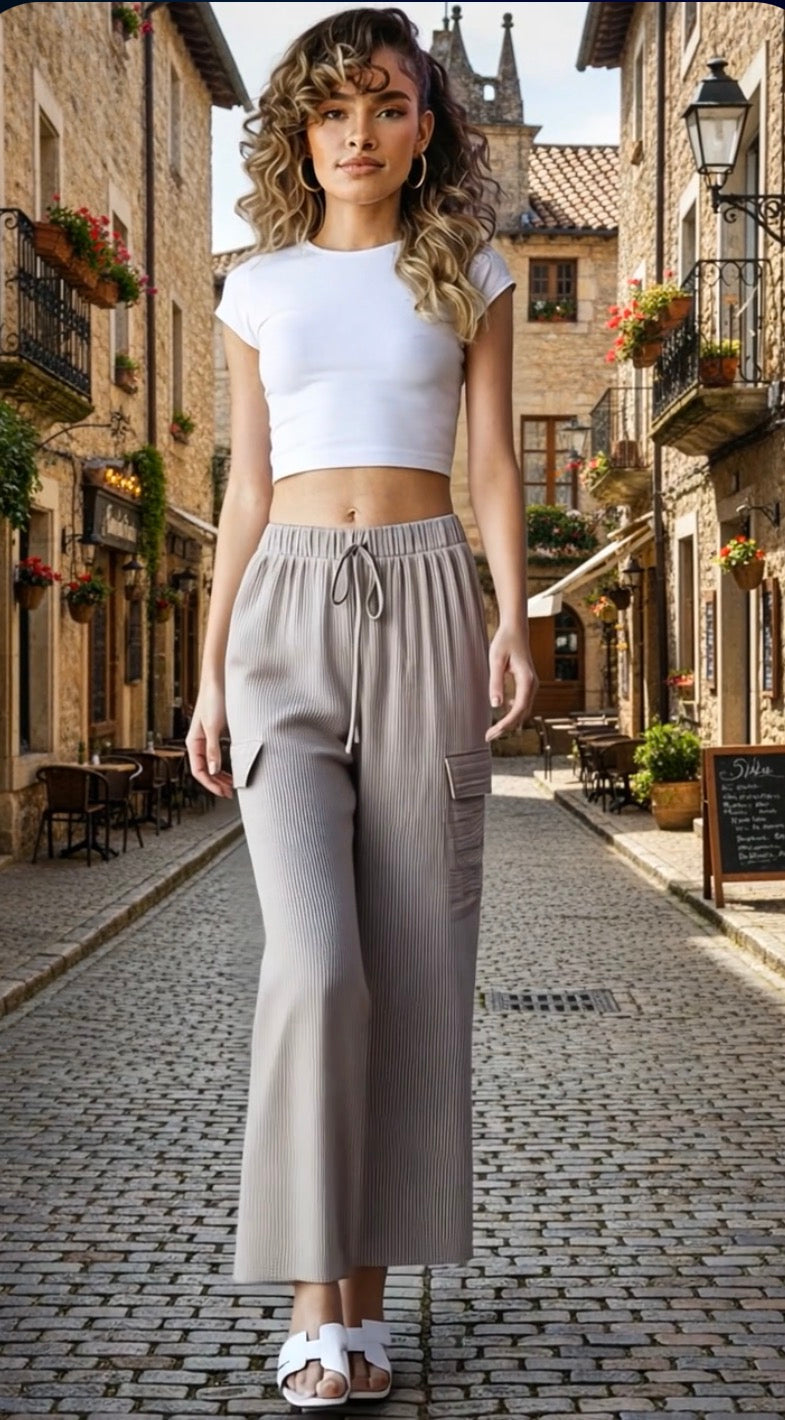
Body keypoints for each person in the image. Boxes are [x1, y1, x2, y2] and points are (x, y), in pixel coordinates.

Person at [187, 6, 538, 1410]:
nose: (359, 133)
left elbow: (496, 463)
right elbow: (243, 489)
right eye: (334, 108)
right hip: (279, 611)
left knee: (409, 972)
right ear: (299, 127)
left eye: (388, 106)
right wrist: (210, 668)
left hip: (424, 592)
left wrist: (510, 612)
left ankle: (365, 1312)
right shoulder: (252, 287)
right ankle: (304, 1298)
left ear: (424, 125)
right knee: (316, 968)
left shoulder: (474, 271)